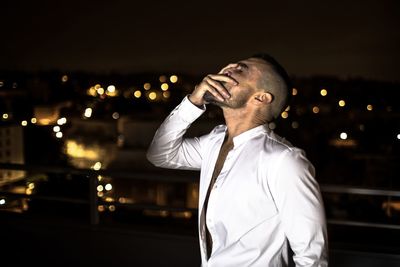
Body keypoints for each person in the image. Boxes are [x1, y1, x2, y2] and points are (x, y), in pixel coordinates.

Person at [146, 53, 328, 266]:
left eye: (240, 69)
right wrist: (193, 102)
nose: (227, 67)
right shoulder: (213, 143)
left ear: (261, 98)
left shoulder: (284, 161)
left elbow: (312, 258)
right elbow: (159, 154)